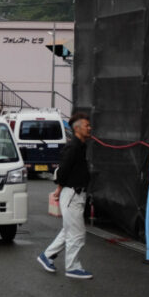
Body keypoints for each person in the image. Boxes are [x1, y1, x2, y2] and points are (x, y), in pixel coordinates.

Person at [37, 112, 93, 279]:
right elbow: (62, 171)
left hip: (74, 194)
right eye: (86, 126)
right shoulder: (73, 147)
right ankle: (72, 267)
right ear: (76, 128)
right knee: (77, 233)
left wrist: (59, 189)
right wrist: (60, 187)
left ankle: (46, 256)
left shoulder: (80, 146)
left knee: (69, 230)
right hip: (72, 195)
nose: (90, 128)